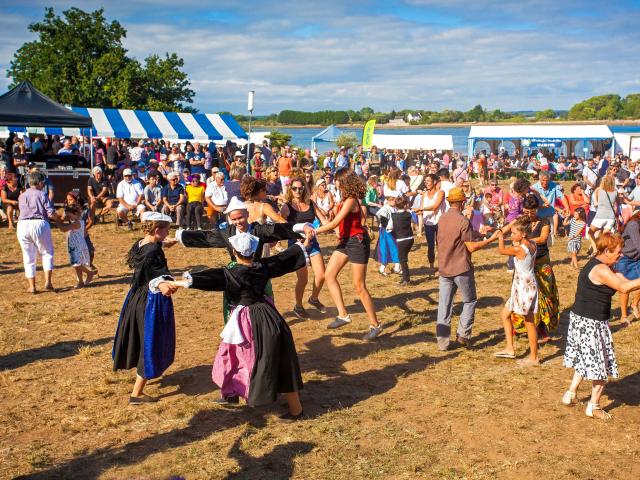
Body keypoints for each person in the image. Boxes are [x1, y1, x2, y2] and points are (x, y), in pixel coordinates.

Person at [167, 232, 310, 420]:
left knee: (234, 356)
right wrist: (306, 240)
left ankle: (235, 392)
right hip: (270, 316)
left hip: (247, 321)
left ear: (234, 252)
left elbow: (207, 278)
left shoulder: (232, 273)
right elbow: (286, 257)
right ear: (254, 252)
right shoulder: (264, 266)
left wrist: (177, 282)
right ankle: (295, 409)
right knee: (281, 360)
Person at [561, 232, 640, 420]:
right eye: (618, 252)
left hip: (583, 320)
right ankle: (593, 406)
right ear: (606, 251)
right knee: (601, 366)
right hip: (591, 324)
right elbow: (624, 288)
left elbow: (625, 281)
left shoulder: (604, 265)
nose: (621, 255)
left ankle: (571, 393)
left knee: (584, 358)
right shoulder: (600, 270)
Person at [112, 212, 177, 404]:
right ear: (157, 230)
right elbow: (160, 280)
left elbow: (149, 254)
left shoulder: (140, 243)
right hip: (151, 301)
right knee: (151, 342)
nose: (167, 234)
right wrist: (172, 285)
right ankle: (137, 394)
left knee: (142, 339)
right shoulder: (154, 252)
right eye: (166, 230)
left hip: (135, 298)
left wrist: (166, 243)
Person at [315, 170, 383, 340]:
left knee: (359, 286)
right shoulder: (346, 199)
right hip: (346, 241)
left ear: (344, 181)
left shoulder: (351, 200)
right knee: (329, 275)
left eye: (337, 180)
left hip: (357, 242)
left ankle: (375, 325)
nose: (335, 183)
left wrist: (313, 231)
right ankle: (343, 315)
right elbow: (343, 223)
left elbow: (335, 222)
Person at [435, 187, 497, 351]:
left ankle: (443, 342)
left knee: (444, 305)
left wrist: (478, 233)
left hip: (444, 267)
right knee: (469, 301)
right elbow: (470, 247)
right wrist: (490, 240)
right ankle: (463, 334)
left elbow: (457, 237)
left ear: (449, 202)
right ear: (462, 202)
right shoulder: (463, 220)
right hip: (461, 268)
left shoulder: (442, 219)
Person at [508, 195, 560, 342]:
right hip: (524, 265)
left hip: (541, 262)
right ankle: (520, 327)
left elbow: (543, 239)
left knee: (544, 294)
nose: (529, 214)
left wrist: (524, 241)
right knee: (520, 293)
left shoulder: (543, 222)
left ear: (537, 209)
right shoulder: (520, 221)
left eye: (532, 211)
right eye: (527, 211)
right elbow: (508, 229)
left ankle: (542, 328)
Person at [494, 218, 539, 365]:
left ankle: (534, 357)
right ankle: (510, 348)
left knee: (529, 322)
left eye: (514, 233)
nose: (512, 236)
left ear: (524, 234)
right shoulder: (532, 244)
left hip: (524, 287)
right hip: (524, 284)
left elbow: (501, 250)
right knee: (505, 314)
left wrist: (500, 237)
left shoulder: (519, 249)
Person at [280, 176, 327, 318]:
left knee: (321, 275)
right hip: (297, 246)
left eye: (300, 188)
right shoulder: (287, 206)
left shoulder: (311, 203)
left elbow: (323, 220)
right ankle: (298, 306)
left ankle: (313, 298)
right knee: (303, 279)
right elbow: (280, 224)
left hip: (313, 243)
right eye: (294, 188)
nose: (298, 191)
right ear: (290, 189)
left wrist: (335, 227)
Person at [16, 171, 61, 293]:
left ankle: (32, 286)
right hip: (40, 223)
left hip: (23, 225)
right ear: (40, 182)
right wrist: (60, 218)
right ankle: (48, 282)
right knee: (46, 253)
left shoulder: (22, 195)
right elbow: (51, 213)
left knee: (28, 256)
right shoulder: (42, 194)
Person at [58, 204, 96, 288]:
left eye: (69, 215)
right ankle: (80, 281)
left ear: (75, 213)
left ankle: (89, 273)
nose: (68, 217)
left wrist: (58, 222)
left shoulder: (77, 223)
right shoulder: (79, 222)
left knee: (76, 264)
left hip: (76, 246)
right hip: (75, 245)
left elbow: (63, 229)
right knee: (77, 265)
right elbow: (84, 233)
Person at [614, 210, 640, 325]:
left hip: (636, 258)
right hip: (625, 258)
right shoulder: (634, 224)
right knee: (624, 288)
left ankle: (634, 303)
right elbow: (638, 244)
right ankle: (624, 316)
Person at [420, 174, 445, 275]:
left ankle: (441, 267)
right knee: (430, 246)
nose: (426, 183)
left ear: (435, 182)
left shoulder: (441, 193)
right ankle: (431, 266)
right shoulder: (424, 194)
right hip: (428, 223)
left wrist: (422, 209)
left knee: (440, 246)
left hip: (439, 222)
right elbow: (421, 208)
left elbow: (435, 206)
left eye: (428, 181)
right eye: (425, 181)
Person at [588, 175, 619, 252]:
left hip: (600, 215)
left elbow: (596, 203)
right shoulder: (615, 192)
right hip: (611, 217)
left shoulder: (598, 190)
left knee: (590, 232)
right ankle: (604, 251)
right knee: (605, 237)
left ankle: (595, 250)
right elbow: (616, 203)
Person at [389, 195, 414, 285]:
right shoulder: (408, 214)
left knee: (402, 260)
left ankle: (406, 280)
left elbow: (389, 227)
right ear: (404, 205)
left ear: (396, 206)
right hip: (410, 239)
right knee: (403, 258)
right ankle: (405, 278)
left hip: (401, 240)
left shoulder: (394, 216)